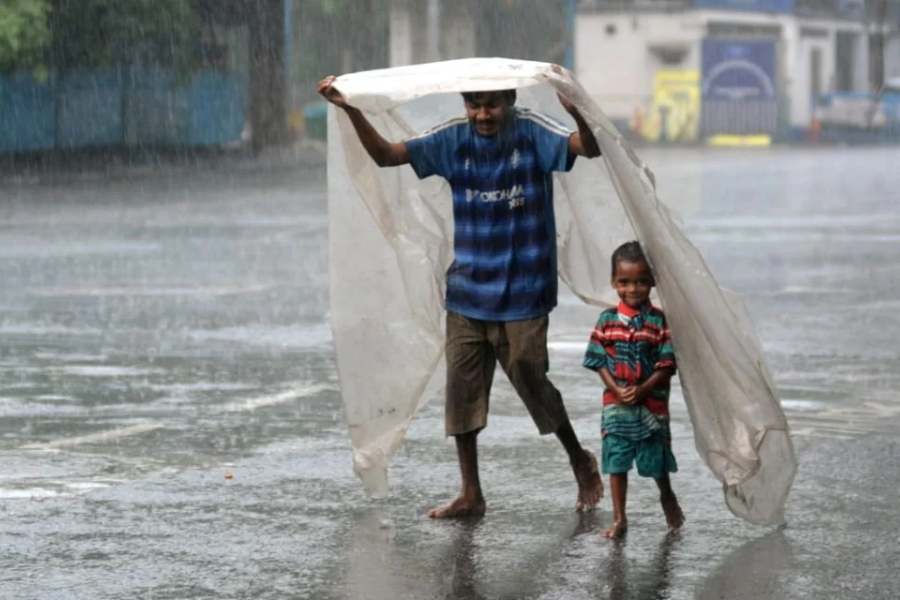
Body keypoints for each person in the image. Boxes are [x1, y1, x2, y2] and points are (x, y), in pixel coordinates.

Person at [318, 73, 604, 518]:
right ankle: (471, 492)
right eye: (474, 103)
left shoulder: (530, 132)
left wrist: (581, 118)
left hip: (524, 290)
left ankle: (577, 457)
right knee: (462, 393)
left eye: (491, 104)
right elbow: (387, 155)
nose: (482, 114)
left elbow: (587, 148)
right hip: (468, 292)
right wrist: (350, 109)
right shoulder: (453, 138)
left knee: (531, 378)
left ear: (509, 99)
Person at [583, 241, 685, 538]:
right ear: (614, 282)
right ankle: (619, 518)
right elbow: (597, 357)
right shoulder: (607, 320)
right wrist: (614, 388)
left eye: (641, 282)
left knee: (655, 458)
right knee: (616, 459)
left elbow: (667, 363)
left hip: (651, 405)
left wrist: (643, 389)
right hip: (616, 407)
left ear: (653, 281)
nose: (633, 289)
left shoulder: (658, 321)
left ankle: (666, 495)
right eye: (625, 282)